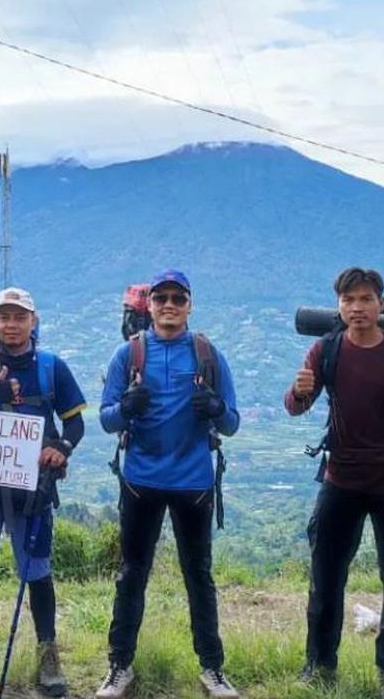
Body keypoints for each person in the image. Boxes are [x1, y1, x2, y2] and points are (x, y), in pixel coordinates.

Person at [285, 267, 384, 699]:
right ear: (339, 305)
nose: (357, 308)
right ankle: (319, 666)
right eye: (349, 300)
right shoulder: (326, 351)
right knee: (325, 577)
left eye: (365, 299)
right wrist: (298, 391)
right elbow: (295, 408)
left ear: (380, 303)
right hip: (341, 480)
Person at [96, 269, 241, 699]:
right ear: (151, 306)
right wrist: (126, 406)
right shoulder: (129, 355)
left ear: (190, 305)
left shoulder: (208, 354)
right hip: (141, 481)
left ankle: (213, 669)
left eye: (178, 298)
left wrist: (214, 407)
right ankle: (118, 666)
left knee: (199, 576)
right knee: (131, 576)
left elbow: (231, 422)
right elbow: (106, 418)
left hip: (193, 482)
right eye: (162, 298)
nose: (170, 305)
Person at [0, 287, 87, 697]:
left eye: (19, 316)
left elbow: (74, 422)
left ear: (33, 321)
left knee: (38, 572)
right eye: (4, 317)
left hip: (32, 494)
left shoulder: (50, 367)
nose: (11, 324)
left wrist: (61, 447)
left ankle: (48, 656)